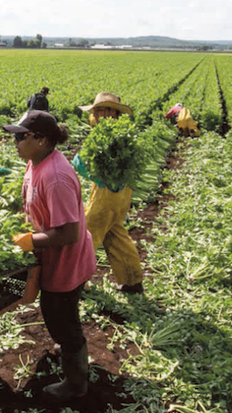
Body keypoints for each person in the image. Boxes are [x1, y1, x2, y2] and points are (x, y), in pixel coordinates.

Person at [6, 110, 96, 401]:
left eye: (21, 136)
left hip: (67, 263)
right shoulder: (37, 162)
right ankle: (69, 347)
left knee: (60, 318)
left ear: (41, 139)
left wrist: (29, 242)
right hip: (58, 258)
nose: (15, 142)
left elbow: (69, 234)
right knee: (62, 314)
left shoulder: (56, 177)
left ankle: (75, 382)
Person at [75, 92, 144, 293]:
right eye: (99, 109)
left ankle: (74, 284)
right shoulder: (118, 131)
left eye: (107, 110)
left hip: (107, 195)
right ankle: (132, 281)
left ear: (115, 114)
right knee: (116, 235)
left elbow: (83, 165)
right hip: (120, 194)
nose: (101, 113)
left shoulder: (108, 134)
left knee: (86, 236)